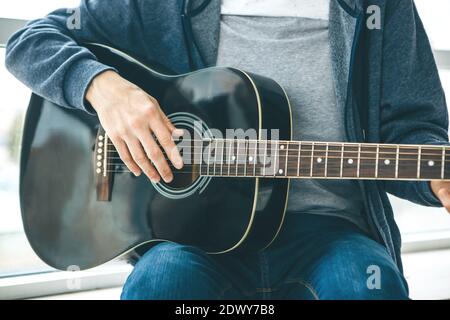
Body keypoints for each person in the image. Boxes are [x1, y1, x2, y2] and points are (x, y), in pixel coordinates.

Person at [5, 0, 450, 300]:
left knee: (367, 288)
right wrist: (103, 89)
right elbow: (30, 42)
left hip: (332, 230)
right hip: (191, 236)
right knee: (159, 284)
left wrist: (435, 174)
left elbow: (413, 128)